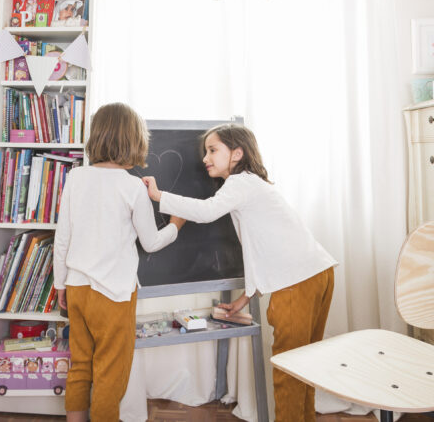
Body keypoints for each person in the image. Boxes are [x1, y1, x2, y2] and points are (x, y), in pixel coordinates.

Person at [144, 124, 337, 422]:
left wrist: (158, 196)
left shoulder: (240, 183)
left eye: (212, 150)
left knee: (288, 369)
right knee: (303, 365)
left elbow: (207, 212)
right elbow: (264, 250)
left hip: (298, 283)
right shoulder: (251, 185)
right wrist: (245, 300)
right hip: (316, 273)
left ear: (237, 152)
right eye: (205, 152)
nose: (205, 158)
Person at [53, 102, 185, 422]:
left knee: (81, 363)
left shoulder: (76, 177)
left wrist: (60, 285)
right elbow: (151, 242)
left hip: (78, 287)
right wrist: (176, 225)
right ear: (134, 141)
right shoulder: (132, 187)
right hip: (113, 294)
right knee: (111, 372)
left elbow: (62, 239)